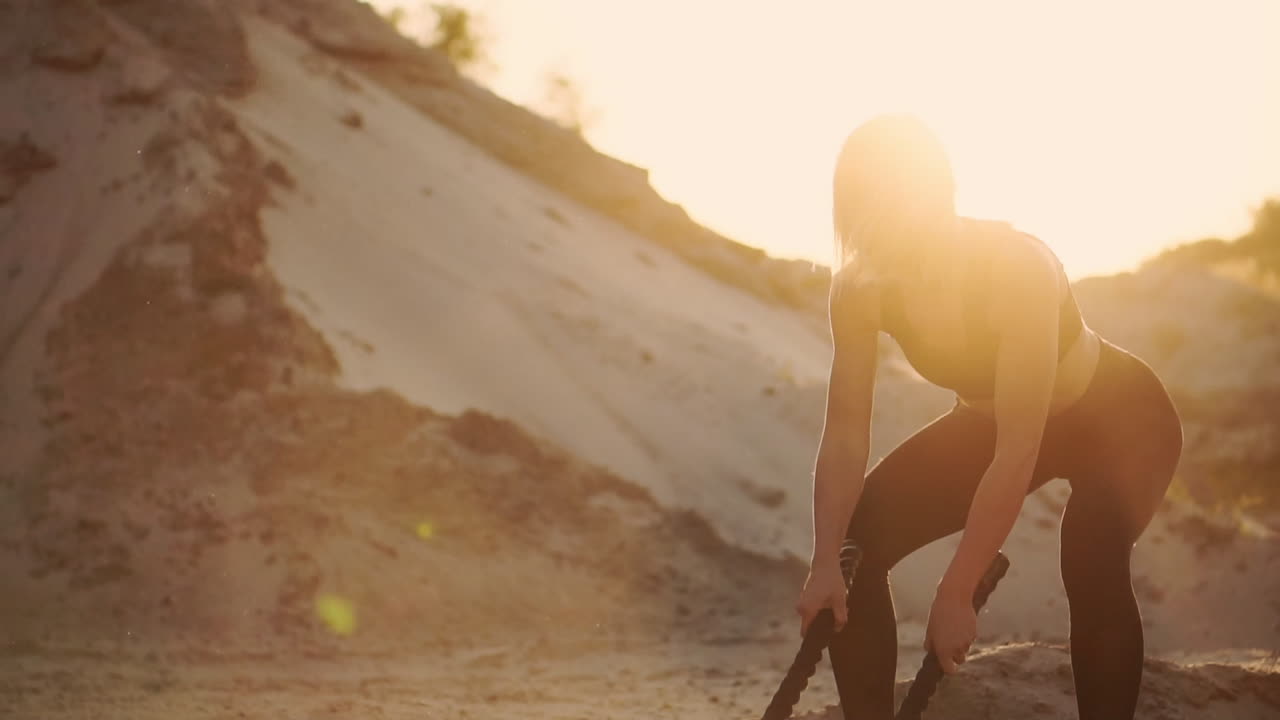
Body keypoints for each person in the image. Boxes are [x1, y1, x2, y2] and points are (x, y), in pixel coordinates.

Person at [795, 113, 1183, 720]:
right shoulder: (860, 289)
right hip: (988, 423)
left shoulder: (1015, 268)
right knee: (857, 544)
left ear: (938, 196)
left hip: (1118, 420)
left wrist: (958, 589)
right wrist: (824, 563)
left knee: (1089, 553)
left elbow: (1020, 447)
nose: (882, 238)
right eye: (864, 217)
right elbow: (845, 434)